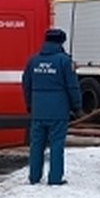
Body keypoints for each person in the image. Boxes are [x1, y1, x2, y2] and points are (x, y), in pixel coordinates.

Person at [21, 27, 82, 186]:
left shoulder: (33, 61)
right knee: (56, 145)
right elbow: (72, 86)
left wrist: (29, 104)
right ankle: (55, 178)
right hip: (58, 111)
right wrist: (77, 107)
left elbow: (26, 84)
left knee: (36, 145)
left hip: (38, 110)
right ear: (61, 42)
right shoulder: (64, 61)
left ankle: (34, 177)